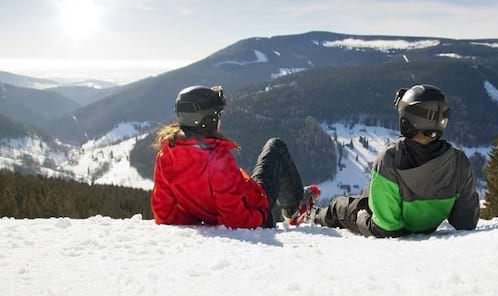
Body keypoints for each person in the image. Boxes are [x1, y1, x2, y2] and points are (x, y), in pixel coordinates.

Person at [311, 84, 480, 237]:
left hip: (383, 222)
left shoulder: (390, 160)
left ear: (406, 122)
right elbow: (466, 222)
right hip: (420, 225)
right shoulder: (459, 162)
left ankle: (313, 214)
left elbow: (386, 228)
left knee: (339, 206)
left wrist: (361, 215)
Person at [151, 85, 320, 228]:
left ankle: (294, 206)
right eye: (217, 115)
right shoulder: (217, 159)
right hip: (255, 205)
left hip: (234, 203)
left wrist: (201, 217)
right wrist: (262, 215)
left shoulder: (166, 155)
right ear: (206, 120)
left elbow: (164, 214)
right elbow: (236, 219)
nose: (219, 120)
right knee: (275, 147)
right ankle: (295, 209)